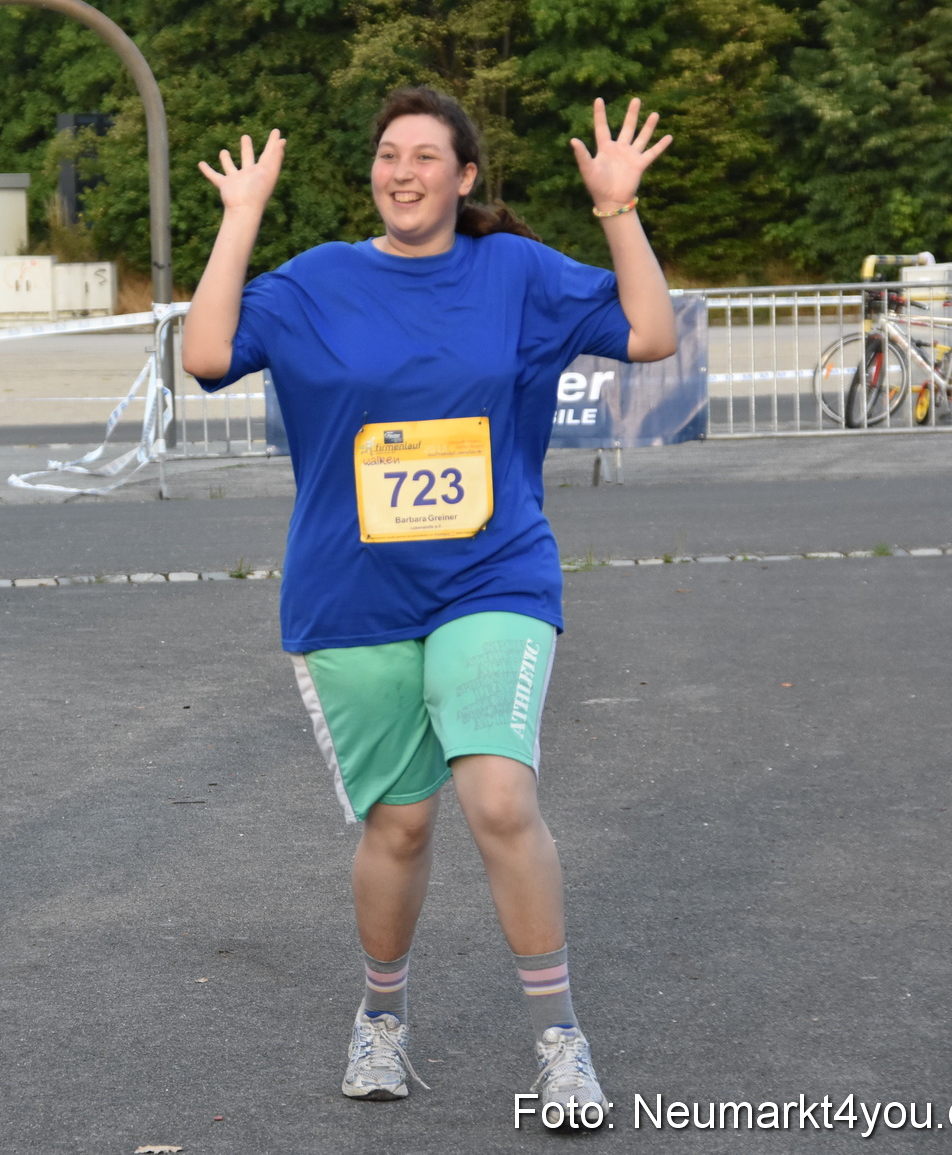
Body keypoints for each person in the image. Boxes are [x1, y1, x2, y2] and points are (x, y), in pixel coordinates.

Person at [181, 89, 677, 1121]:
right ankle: (382, 1016)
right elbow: (206, 356)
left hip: (492, 578)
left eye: (424, 157)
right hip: (352, 595)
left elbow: (648, 333)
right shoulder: (317, 279)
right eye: (387, 155)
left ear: (462, 178)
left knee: (498, 798)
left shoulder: (514, 272)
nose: (401, 172)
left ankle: (559, 1040)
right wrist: (240, 218)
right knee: (400, 827)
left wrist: (617, 210)